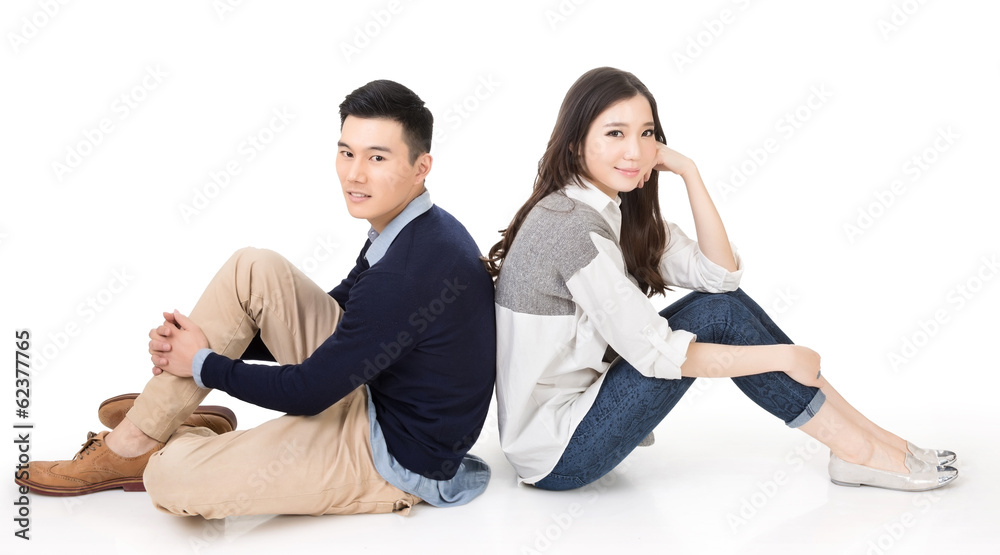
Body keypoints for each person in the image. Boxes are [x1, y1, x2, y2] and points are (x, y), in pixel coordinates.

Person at [17, 79, 497, 517]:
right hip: (372, 389)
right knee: (254, 268)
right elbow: (348, 314)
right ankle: (134, 440)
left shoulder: (407, 271)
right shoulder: (409, 227)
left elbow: (308, 392)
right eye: (346, 153)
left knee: (169, 479)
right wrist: (208, 347)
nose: (354, 175)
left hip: (392, 457)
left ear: (420, 166)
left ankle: (169, 434)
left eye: (377, 158)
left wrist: (203, 364)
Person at [485, 67, 957, 493]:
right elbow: (657, 355)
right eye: (615, 133)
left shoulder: (607, 209)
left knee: (724, 305)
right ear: (575, 143)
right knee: (719, 317)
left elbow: (719, 275)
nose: (636, 151)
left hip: (576, 420)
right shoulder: (571, 228)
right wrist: (786, 355)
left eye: (646, 133)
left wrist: (689, 172)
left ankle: (870, 439)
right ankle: (857, 450)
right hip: (558, 453)